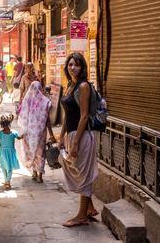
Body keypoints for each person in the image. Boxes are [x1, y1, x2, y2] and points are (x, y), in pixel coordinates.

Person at [58, 52, 99, 227]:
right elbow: (68, 115)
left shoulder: (83, 87)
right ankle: (89, 208)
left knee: (83, 175)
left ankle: (82, 216)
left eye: (76, 65)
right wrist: (61, 136)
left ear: (82, 68)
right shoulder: (69, 85)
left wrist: (75, 143)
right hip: (72, 134)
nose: (72, 68)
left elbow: (83, 117)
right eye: (70, 65)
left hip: (82, 136)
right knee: (76, 170)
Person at [17, 81, 56, 183]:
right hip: (41, 133)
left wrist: (22, 131)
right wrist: (51, 134)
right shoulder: (45, 102)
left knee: (32, 152)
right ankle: (39, 176)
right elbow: (47, 120)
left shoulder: (27, 101)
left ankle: (34, 173)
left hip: (29, 133)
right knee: (40, 153)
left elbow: (22, 116)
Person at [0, 114, 21, 190]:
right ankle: (7, 181)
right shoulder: (13, 132)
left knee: (4, 167)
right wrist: (23, 136)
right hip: (10, 152)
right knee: (9, 168)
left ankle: (7, 181)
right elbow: (19, 138)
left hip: (2, 152)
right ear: (10, 123)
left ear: (0, 124)